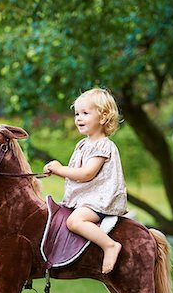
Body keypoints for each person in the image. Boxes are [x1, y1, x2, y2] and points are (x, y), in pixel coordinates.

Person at [44, 88, 127, 274]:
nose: (79, 118)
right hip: (86, 200)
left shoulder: (103, 145)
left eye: (85, 113)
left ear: (104, 116)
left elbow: (87, 174)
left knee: (74, 222)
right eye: (77, 114)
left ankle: (110, 246)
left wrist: (59, 169)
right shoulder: (83, 145)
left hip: (99, 202)